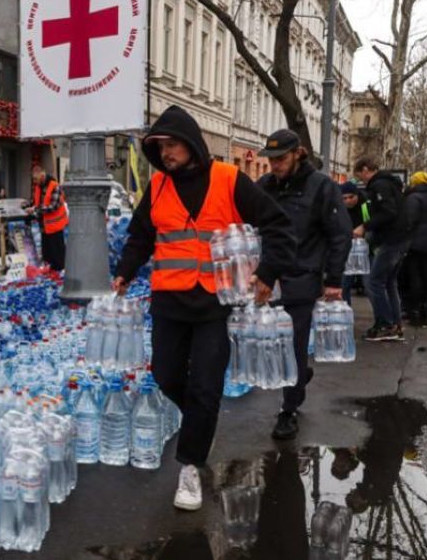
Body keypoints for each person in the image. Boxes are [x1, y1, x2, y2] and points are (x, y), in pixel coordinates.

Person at [112, 105, 295, 511]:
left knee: (206, 386)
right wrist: (125, 270)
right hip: (169, 300)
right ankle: (200, 419)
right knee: (165, 375)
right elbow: (141, 235)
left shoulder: (230, 180)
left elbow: (278, 225)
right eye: (159, 147)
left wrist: (267, 272)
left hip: (215, 303)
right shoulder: (158, 186)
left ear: (191, 143)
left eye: (172, 145)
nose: (165, 154)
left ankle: (190, 467)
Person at [257, 130, 352, 440]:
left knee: (293, 346)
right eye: (270, 160)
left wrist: (334, 280)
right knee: (268, 343)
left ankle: (289, 409)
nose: (274, 165)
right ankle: (299, 377)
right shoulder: (265, 187)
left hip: (302, 276)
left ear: (298, 154)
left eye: (281, 159)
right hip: (267, 279)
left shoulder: (321, 187)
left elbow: (340, 234)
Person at [352, 157, 409, 342]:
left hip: (391, 240)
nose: (362, 181)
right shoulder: (390, 183)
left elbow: (388, 212)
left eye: (361, 177)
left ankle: (385, 324)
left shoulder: (380, 186)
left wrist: (365, 226)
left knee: (375, 282)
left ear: (366, 169)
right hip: (400, 239)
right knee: (389, 283)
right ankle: (395, 323)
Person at [400, 171, 427, 328]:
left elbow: (409, 221)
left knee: (414, 277)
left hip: (415, 244)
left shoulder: (413, 198)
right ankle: (424, 309)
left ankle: (415, 311)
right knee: (426, 277)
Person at [27, 165, 69, 271]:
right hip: (44, 227)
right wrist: (29, 205)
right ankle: (50, 276)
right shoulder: (38, 187)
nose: (34, 181)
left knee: (58, 256)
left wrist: (36, 210)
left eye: (35, 179)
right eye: (33, 179)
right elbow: (36, 202)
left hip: (55, 227)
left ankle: (60, 276)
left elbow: (53, 206)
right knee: (47, 256)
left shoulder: (54, 186)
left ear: (42, 175)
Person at [341, 181, 370, 305]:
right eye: (344, 198)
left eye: (351, 197)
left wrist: (363, 227)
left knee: (370, 285)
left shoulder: (365, 205)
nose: (348, 200)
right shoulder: (339, 207)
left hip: (366, 247)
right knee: (344, 285)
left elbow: (371, 221)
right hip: (348, 248)